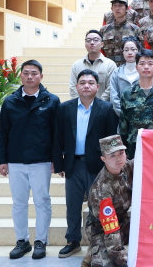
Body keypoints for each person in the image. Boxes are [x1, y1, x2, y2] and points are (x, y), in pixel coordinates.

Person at [0, 60, 60, 260]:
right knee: (19, 203)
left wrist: (56, 159)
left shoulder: (51, 101)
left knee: (42, 201)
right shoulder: (10, 101)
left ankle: (40, 241)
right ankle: (22, 241)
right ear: (20, 76)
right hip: (15, 161)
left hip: (41, 161)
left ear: (41, 76)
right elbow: (3, 133)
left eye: (34, 73)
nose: (30, 76)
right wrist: (2, 160)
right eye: (26, 73)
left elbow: (57, 133)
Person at [53, 69, 119, 258]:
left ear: (97, 87)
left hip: (97, 165)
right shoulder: (65, 108)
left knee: (99, 205)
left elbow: (111, 139)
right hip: (73, 164)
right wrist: (59, 164)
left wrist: (111, 165)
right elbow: (57, 137)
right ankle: (73, 241)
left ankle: (99, 241)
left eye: (90, 83)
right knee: (73, 205)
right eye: (82, 83)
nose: (86, 86)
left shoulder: (106, 108)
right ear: (76, 86)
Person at [83, 135, 133, 267]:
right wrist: (121, 259)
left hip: (123, 222)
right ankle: (94, 252)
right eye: (112, 155)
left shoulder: (127, 167)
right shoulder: (101, 190)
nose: (118, 158)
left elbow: (148, 160)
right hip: (102, 230)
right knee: (108, 263)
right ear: (103, 159)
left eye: (121, 153)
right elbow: (111, 229)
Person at [119, 49, 153, 159]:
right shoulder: (127, 94)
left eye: (150, 63)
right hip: (135, 148)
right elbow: (123, 126)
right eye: (142, 63)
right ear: (136, 67)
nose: (146, 67)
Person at [69, 30, 116, 101]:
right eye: (88, 40)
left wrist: (98, 104)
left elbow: (111, 87)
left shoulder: (110, 65)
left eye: (96, 40)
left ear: (102, 44)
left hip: (103, 106)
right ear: (85, 44)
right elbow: (73, 87)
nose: (92, 43)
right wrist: (79, 104)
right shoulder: (77, 65)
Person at [100, 0, 143, 67]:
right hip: (108, 66)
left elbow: (140, 50)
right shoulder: (104, 30)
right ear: (111, 9)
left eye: (120, 5)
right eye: (115, 6)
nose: (117, 8)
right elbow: (100, 50)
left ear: (127, 9)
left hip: (129, 66)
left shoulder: (135, 29)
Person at [109, 36, 142, 116]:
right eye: (126, 50)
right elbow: (114, 98)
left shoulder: (145, 71)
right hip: (121, 117)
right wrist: (124, 116)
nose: (129, 52)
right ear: (123, 52)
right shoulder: (116, 73)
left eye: (133, 49)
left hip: (143, 117)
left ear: (138, 51)